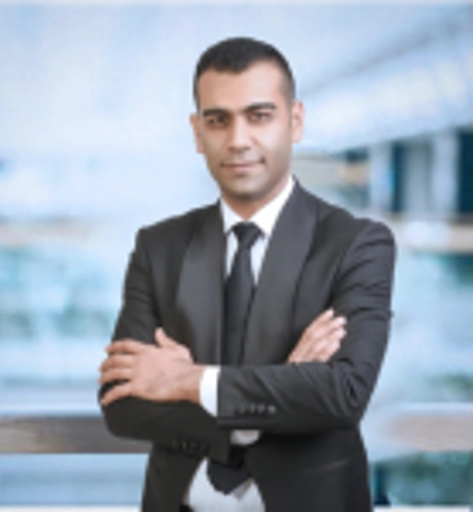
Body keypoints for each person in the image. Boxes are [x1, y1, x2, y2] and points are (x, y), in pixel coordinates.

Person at [98, 37, 396, 512]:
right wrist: (283, 393)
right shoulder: (159, 247)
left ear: (295, 122)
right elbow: (123, 403)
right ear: (198, 132)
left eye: (259, 116)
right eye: (218, 120)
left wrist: (189, 382)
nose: (238, 140)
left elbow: (343, 394)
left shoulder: (355, 244)